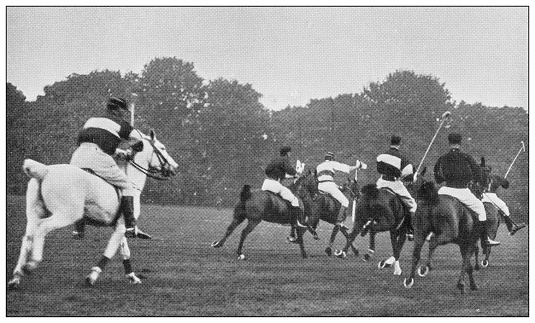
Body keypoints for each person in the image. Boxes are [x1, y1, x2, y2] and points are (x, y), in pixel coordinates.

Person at [70, 97, 150, 239]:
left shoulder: (91, 120)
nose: (123, 114)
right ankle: (130, 226)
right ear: (117, 109)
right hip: (98, 158)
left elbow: (91, 141)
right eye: (123, 111)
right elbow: (138, 139)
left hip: (77, 157)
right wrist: (131, 150)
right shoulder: (120, 123)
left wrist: (118, 152)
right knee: (128, 186)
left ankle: (78, 230)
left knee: (79, 190)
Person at [433, 133, 500, 246]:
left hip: (445, 190)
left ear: (449, 143)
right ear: (460, 143)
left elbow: (438, 178)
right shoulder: (466, 157)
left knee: (432, 205)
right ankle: (485, 239)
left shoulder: (442, 158)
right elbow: (478, 173)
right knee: (480, 209)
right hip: (462, 190)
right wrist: (482, 182)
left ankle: (429, 233)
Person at [364, 135, 417, 240]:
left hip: (381, 181)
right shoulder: (403, 158)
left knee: (370, 198)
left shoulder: (381, 156)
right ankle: (410, 230)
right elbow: (407, 176)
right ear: (399, 144)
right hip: (394, 183)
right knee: (413, 204)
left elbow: (379, 169)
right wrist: (413, 178)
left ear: (390, 142)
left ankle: (368, 219)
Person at [262, 146, 317, 237]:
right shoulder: (284, 159)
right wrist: (297, 173)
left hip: (266, 184)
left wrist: (294, 176)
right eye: (290, 153)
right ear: (287, 153)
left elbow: (271, 172)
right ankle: (297, 222)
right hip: (275, 185)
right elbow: (290, 170)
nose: (290, 154)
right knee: (294, 200)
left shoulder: (275, 161)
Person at [316, 152, 365, 228]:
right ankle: (339, 221)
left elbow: (323, 179)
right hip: (329, 186)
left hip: (319, 186)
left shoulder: (319, 166)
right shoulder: (332, 163)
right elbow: (346, 168)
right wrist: (356, 166)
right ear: (332, 159)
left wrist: (337, 186)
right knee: (345, 201)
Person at [481, 166, 526, 235]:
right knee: (504, 208)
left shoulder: (478, 176)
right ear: (490, 171)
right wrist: (503, 181)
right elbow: (506, 186)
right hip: (491, 196)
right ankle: (511, 228)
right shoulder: (495, 177)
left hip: (480, 196)